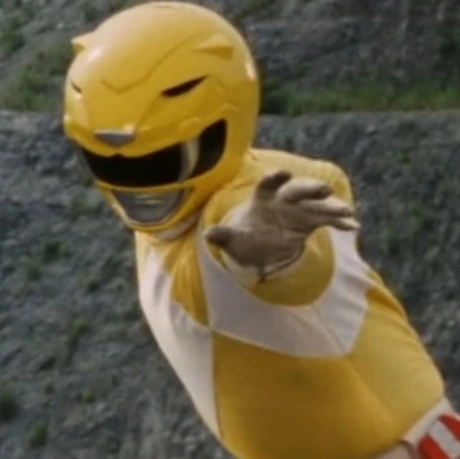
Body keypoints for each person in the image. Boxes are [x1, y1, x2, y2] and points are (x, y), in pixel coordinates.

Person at [62, 2, 460, 458]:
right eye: (105, 163)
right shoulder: (170, 225)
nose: (137, 186)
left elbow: (276, 259)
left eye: (162, 162)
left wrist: (272, 254)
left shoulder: (245, 206)